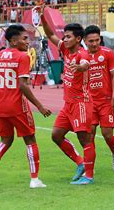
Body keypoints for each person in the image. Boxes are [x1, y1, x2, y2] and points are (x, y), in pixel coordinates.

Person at [0, 24, 52, 190]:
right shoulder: (23, 57)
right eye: (24, 39)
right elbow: (23, 85)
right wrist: (39, 106)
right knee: (30, 139)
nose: (27, 41)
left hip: (0, 106)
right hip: (17, 106)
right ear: (13, 41)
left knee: (6, 140)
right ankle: (34, 179)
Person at [41, 18, 96, 185]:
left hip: (81, 103)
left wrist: (81, 67)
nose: (64, 40)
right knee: (56, 135)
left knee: (84, 139)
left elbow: (86, 63)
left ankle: (89, 176)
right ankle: (80, 162)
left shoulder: (82, 54)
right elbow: (50, 34)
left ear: (78, 39)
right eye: (64, 37)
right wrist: (43, 16)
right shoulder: (65, 49)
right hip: (68, 104)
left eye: (68, 37)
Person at [84, 25, 114, 171]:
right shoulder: (82, 55)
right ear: (85, 41)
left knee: (107, 134)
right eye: (91, 41)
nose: (94, 43)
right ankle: (90, 167)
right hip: (89, 102)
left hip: (105, 101)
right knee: (89, 134)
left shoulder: (108, 53)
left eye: (97, 40)